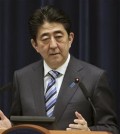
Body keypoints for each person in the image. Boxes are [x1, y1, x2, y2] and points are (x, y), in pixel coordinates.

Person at [0, 5, 119, 133]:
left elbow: (111, 128)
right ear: (35, 45)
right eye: (45, 39)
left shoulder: (94, 77)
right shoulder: (22, 77)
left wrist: (88, 131)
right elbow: (21, 124)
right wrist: (11, 128)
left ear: (70, 39)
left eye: (58, 37)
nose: (53, 45)